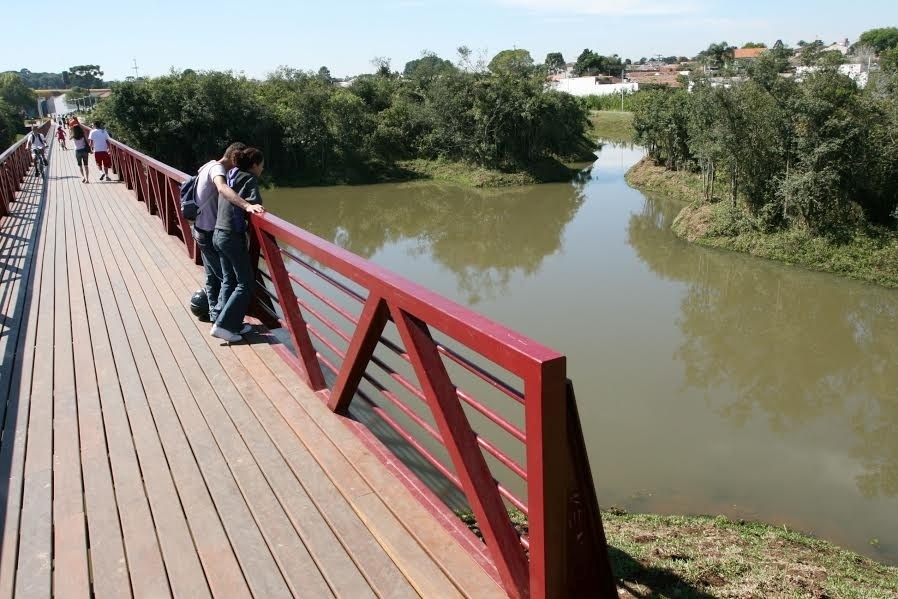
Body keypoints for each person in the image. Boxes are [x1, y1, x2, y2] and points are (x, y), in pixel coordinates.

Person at [192, 142, 265, 333]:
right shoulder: (237, 176)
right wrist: (249, 206)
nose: (263, 169)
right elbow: (227, 190)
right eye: (262, 166)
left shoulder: (227, 172)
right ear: (255, 165)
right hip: (227, 235)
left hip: (213, 232)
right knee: (244, 282)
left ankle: (221, 320)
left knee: (226, 279)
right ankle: (224, 325)